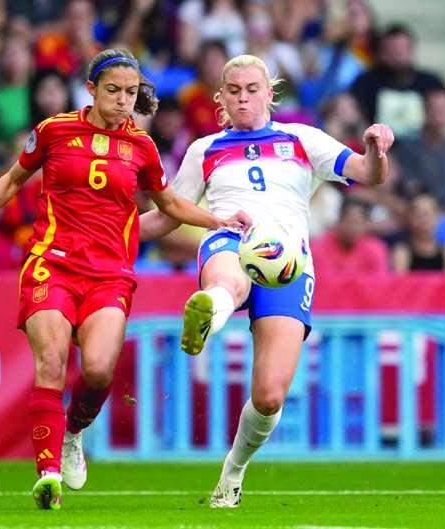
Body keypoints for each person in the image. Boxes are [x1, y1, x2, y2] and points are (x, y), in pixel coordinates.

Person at [0, 49, 250, 511]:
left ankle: (73, 432)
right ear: (91, 90)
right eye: (113, 90)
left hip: (110, 272)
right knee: (51, 363)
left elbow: (169, 205)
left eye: (130, 92)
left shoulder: (142, 147)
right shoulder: (54, 130)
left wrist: (218, 221)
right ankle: (48, 474)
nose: (123, 100)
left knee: (97, 370)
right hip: (52, 262)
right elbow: (12, 180)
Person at [139, 54, 393, 507]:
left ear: (269, 93)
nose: (243, 98)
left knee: (270, 395)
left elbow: (368, 174)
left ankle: (232, 473)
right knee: (229, 278)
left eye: (252, 89)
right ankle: (210, 310)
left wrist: (376, 148)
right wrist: (107, 231)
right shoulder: (204, 149)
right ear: (220, 98)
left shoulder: (303, 139)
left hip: (288, 263)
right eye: (234, 91)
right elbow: (169, 215)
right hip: (230, 240)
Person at [310, 198, 389, 276]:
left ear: (367, 224)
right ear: (339, 222)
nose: (352, 228)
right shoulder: (319, 247)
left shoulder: (375, 250)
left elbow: (380, 280)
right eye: (348, 222)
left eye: (357, 223)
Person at [391, 193, 445, 273]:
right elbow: (399, 279)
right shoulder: (402, 251)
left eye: (427, 215)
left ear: (438, 217)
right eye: (418, 215)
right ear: (410, 219)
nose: (423, 220)